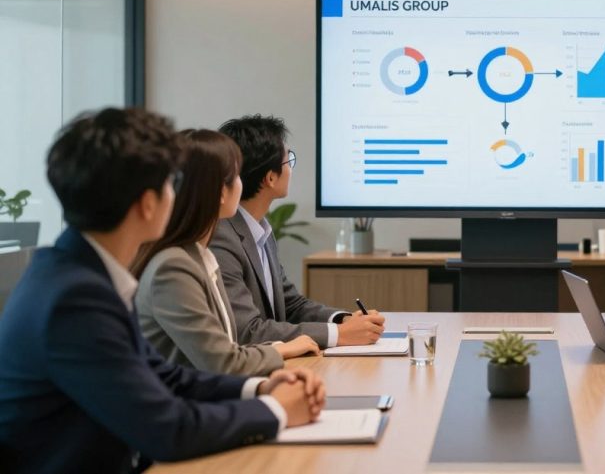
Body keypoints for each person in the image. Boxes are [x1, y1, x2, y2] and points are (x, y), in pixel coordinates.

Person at [0, 108, 326, 474]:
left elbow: (164, 376)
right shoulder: (74, 299)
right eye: (172, 184)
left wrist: (259, 390)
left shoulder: (76, 273)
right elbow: (168, 429)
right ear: (148, 203)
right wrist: (277, 410)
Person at [134, 129, 321, 376]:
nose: (242, 185)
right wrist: (281, 350)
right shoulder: (173, 267)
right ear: (222, 192)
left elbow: (227, 350)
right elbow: (224, 362)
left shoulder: (198, 255)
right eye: (236, 176)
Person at [211, 115, 384, 348]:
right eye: (288, 161)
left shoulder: (261, 231)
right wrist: (338, 335)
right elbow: (247, 332)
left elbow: (291, 305)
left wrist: (344, 320)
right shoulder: (222, 237)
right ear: (270, 178)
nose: (291, 170)